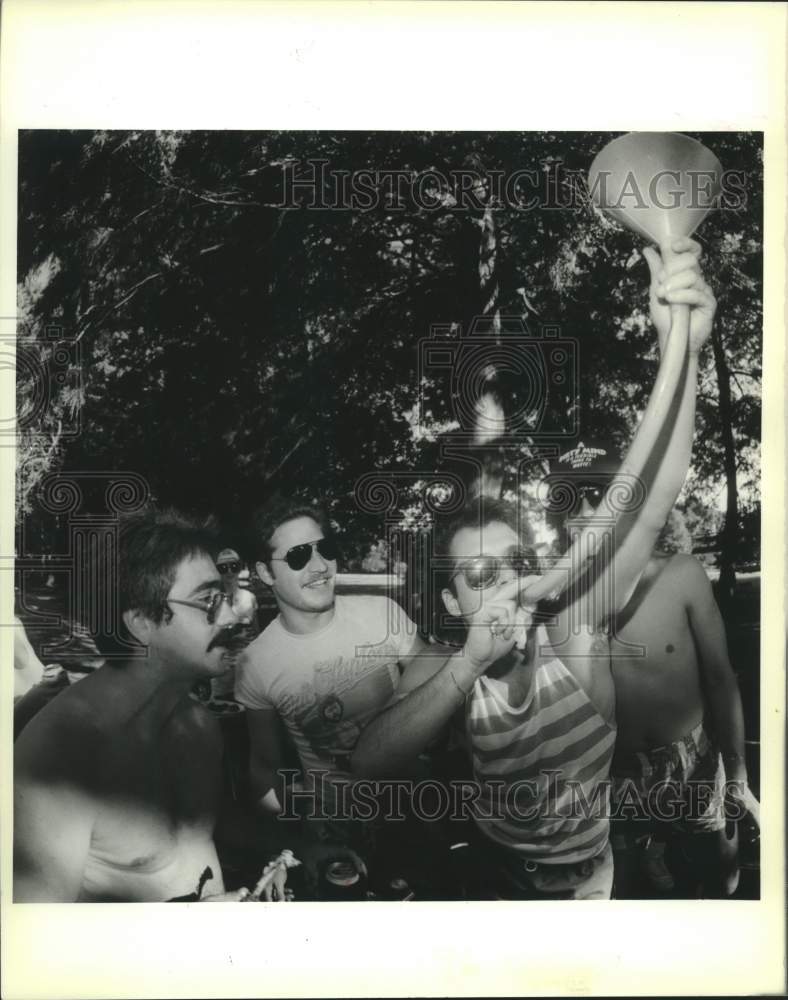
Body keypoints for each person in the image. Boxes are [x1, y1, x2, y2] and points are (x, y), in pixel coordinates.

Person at [351, 237, 716, 899]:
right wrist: (467, 665)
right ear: (453, 601)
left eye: (515, 564)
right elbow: (370, 763)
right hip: (494, 878)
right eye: (480, 575)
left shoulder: (572, 633)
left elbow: (653, 496)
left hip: (589, 886)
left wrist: (681, 349)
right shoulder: (443, 663)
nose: (506, 584)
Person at [14, 508, 289, 903]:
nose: (231, 616)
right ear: (140, 621)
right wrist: (186, 929)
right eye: (210, 600)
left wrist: (289, 848)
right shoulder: (58, 764)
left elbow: (199, 831)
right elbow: (38, 942)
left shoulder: (196, 723)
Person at [546, 443, 753, 896]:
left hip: (690, 758)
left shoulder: (680, 574)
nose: (582, 511)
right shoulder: (555, 600)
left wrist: (736, 768)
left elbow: (720, 677)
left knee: (723, 875)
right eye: (567, 498)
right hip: (610, 769)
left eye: (598, 494)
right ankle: (651, 854)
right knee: (627, 885)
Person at [235, 498, 443, 840]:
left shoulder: (382, 613)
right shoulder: (256, 662)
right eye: (299, 555)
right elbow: (265, 766)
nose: (319, 566)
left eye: (325, 549)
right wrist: (295, 834)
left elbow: (436, 692)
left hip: (418, 809)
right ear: (264, 573)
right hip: (338, 826)